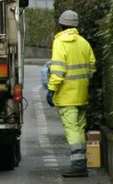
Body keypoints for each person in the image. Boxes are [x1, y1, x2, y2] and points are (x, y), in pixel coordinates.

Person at [46, 10, 96, 178]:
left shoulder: (60, 43)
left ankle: (78, 165)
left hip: (67, 96)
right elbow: (91, 67)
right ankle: (81, 161)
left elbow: (58, 71)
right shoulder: (84, 43)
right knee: (80, 128)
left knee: (72, 129)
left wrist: (51, 90)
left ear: (60, 25)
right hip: (81, 94)